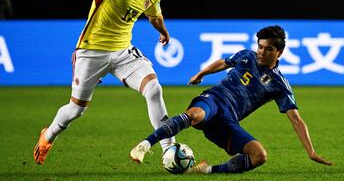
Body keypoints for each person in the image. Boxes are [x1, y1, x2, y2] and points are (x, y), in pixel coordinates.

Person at [33, 0, 175, 165]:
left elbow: (154, 15)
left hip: (123, 52)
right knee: (76, 110)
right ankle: (48, 136)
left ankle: (169, 150)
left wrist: (163, 32)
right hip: (92, 51)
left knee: (154, 89)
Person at [130, 25, 333, 173]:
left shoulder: (279, 85)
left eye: (268, 49)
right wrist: (202, 74)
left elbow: (296, 119)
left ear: (279, 52)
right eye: (260, 47)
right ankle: (144, 146)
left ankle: (205, 171)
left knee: (259, 156)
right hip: (214, 100)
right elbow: (224, 62)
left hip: (228, 121)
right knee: (195, 115)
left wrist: (311, 152)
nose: (262, 52)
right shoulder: (247, 56)